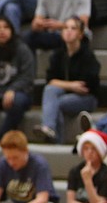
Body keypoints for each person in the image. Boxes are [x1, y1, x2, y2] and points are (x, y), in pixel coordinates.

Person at [32, 16, 100, 144]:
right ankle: (49, 129)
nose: (68, 31)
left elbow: (85, 86)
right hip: (66, 95)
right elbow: (50, 80)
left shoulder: (88, 55)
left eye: (73, 28)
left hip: (87, 99)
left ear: (80, 34)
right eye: (65, 28)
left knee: (55, 103)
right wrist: (71, 85)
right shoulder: (58, 54)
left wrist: (65, 85)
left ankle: (54, 139)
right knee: (50, 91)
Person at [0, 16, 36, 138]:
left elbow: (27, 76)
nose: (2, 31)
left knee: (18, 102)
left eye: (6, 27)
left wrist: (12, 89)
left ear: (12, 30)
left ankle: (1, 136)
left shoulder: (22, 50)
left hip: (16, 94)